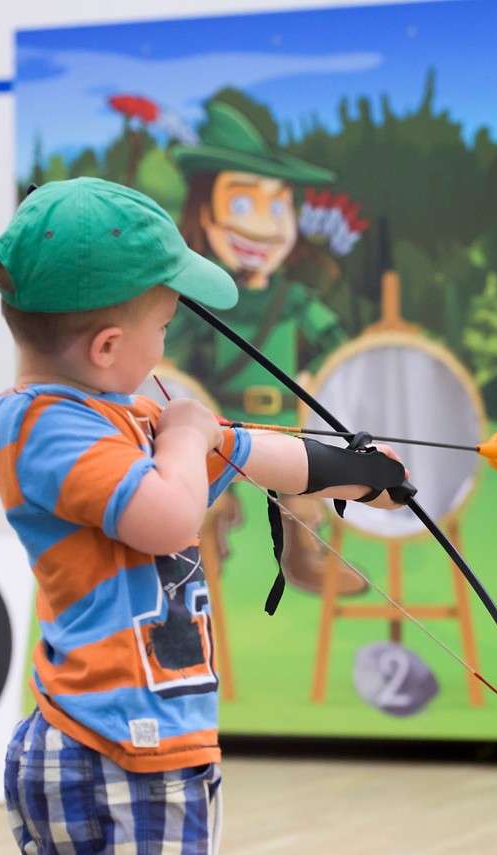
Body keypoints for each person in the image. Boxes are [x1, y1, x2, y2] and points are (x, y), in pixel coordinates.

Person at [0, 178, 409, 852]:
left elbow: (250, 451)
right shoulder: (45, 428)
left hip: (131, 741)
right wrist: (187, 435)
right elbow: (164, 517)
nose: (165, 347)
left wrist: (360, 473)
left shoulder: (122, 418)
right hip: (119, 746)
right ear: (106, 347)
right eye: (161, 328)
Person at [169, 100, 363, 597]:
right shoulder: (201, 304)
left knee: (303, 497)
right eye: (240, 204)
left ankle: (305, 558)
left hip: (283, 426)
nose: (262, 225)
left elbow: (336, 350)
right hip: (217, 431)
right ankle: (200, 562)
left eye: (277, 206)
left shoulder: (293, 301)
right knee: (204, 501)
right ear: (204, 215)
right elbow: (167, 363)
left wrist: (318, 387)